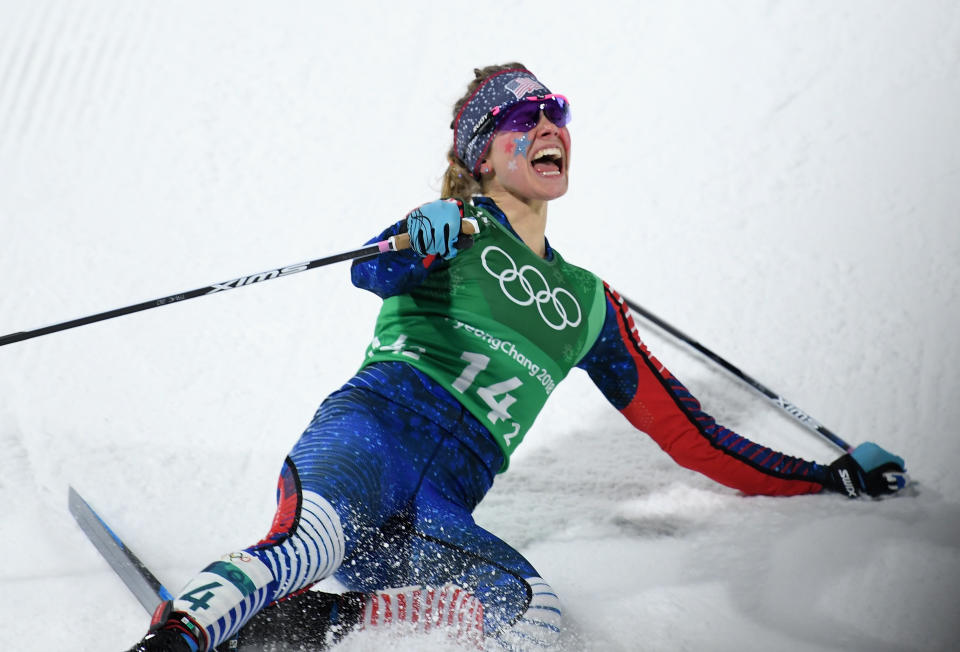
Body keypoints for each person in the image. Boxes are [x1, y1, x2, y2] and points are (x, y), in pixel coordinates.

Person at [128, 63, 908, 652]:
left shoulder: (590, 304)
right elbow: (373, 270)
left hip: (436, 514)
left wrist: (828, 477)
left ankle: (318, 621)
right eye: (522, 116)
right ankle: (181, 635)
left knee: (531, 615)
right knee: (310, 542)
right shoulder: (454, 222)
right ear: (481, 154)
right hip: (371, 438)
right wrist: (416, 237)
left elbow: (694, 437)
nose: (549, 127)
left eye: (557, 112)